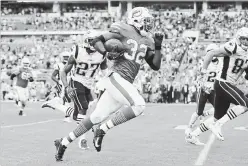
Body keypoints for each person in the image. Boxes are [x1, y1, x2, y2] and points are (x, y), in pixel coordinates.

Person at [54, 7, 164, 161]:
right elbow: (96, 40)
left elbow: (155, 65)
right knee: (139, 105)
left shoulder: (148, 40)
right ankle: (102, 130)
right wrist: (106, 53)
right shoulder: (124, 29)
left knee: (96, 116)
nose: (149, 25)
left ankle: (63, 143)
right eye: (146, 21)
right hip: (116, 77)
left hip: (125, 83)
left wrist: (158, 46)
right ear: (136, 20)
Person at [187, 27, 248, 142]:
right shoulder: (233, 46)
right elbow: (211, 53)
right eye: (243, 39)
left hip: (228, 85)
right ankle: (218, 125)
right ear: (238, 38)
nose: (246, 42)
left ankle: (193, 135)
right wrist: (203, 72)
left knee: (217, 117)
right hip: (222, 83)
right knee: (246, 104)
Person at [185, 44, 221, 145]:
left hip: (213, 90)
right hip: (204, 90)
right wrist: (204, 87)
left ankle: (206, 116)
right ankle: (189, 128)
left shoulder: (220, 63)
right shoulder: (204, 63)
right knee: (198, 112)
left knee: (220, 109)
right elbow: (198, 79)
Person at [42, 52, 73, 123]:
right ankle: (67, 116)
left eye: (67, 57)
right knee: (66, 100)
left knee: (64, 100)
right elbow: (53, 76)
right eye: (64, 57)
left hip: (69, 83)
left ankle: (51, 102)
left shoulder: (72, 65)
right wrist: (58, 81)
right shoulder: (59, 65)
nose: (66, 58)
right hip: (62, 84)